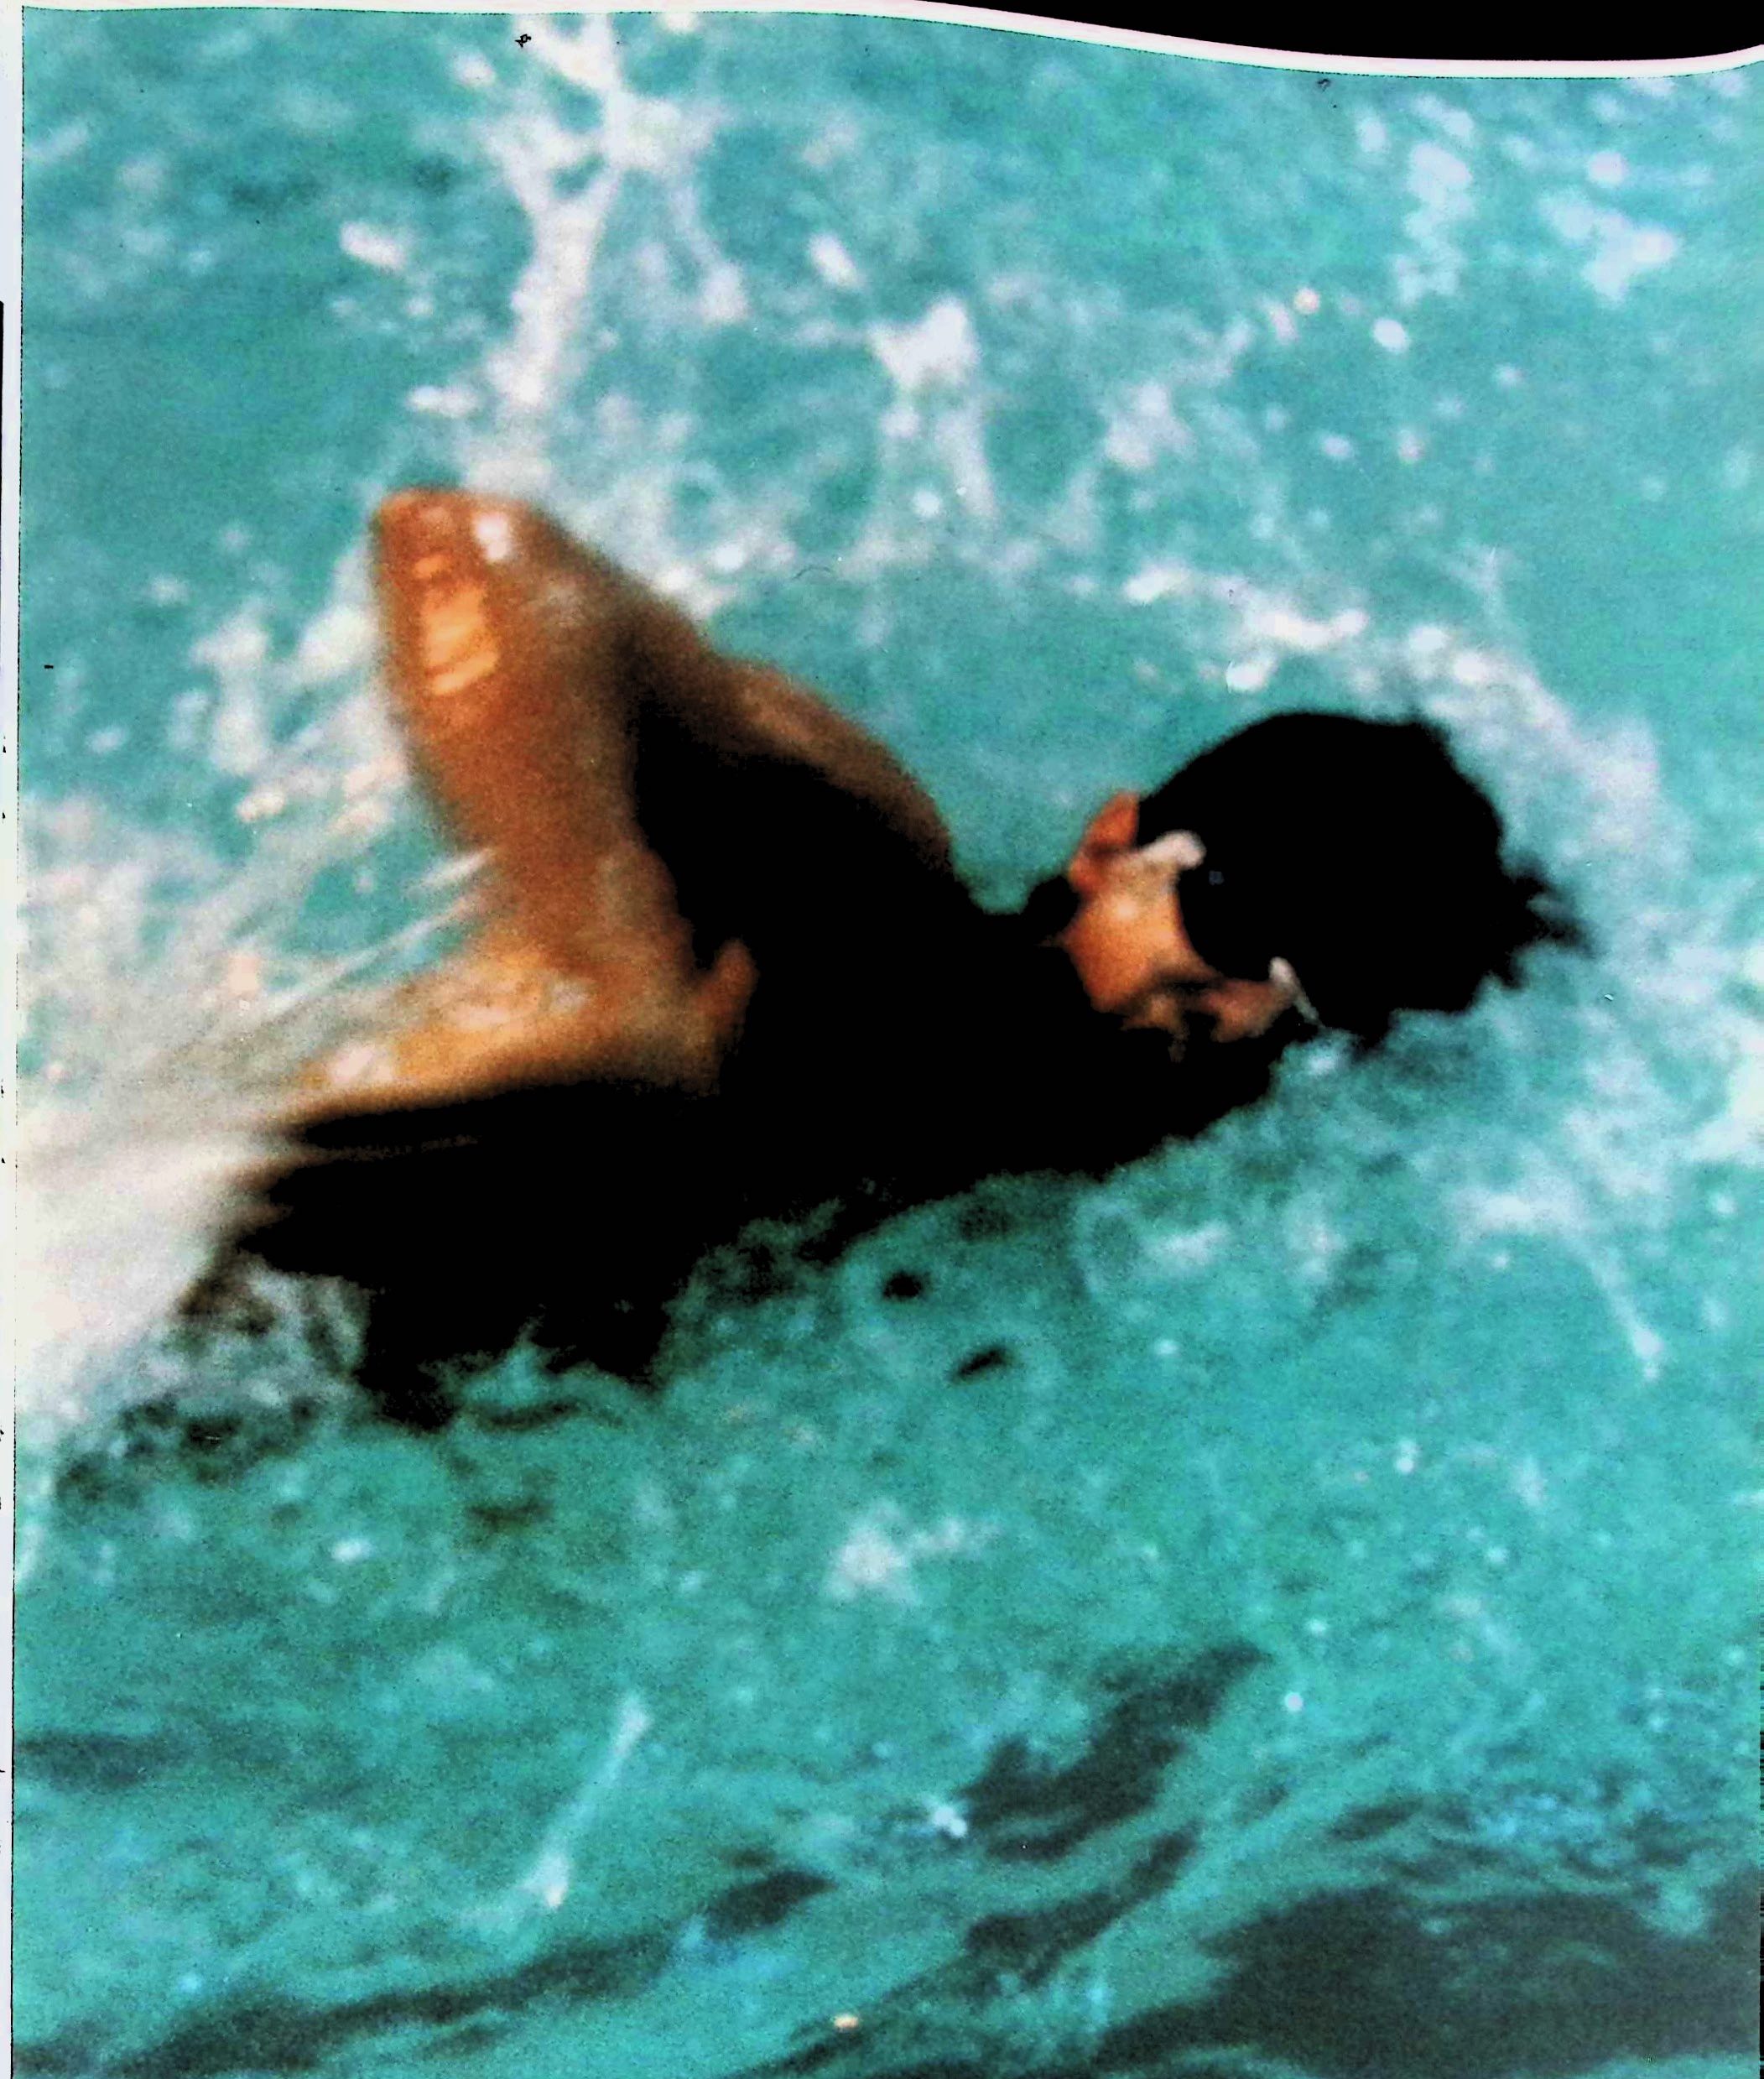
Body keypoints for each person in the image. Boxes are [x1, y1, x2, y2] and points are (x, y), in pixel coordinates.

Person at [211, 490, 1571, 1420]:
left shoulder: (1028, 1228)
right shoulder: (875, 892)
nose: (1236, 1007)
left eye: (1313, 999)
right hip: (229, 1272)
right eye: (1225, 918)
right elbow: (471, 548)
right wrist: (590, 960)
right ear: (1110, 845)